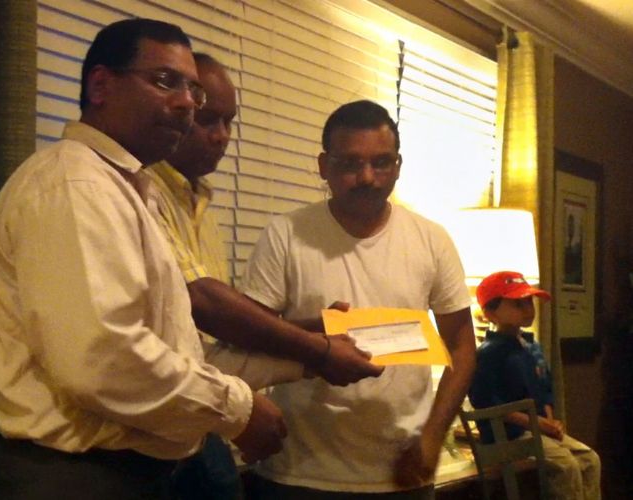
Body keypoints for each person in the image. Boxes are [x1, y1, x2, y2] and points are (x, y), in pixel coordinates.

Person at [0, 19, 288, 499]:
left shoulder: (125, 189)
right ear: (101, 85)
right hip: (75, 477)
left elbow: (169, 345)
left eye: (193, 90)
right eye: (165, 81)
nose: (186, 102)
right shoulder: (75, 184)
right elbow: (104, 360)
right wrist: (236, 410)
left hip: (118, 471)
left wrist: (305, 360)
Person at [145, 54, 383, 499]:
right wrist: (317, 350)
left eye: (229, 122)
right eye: (208, 119)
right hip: (156, 431)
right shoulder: (141, 192)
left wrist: (309, 330)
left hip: (202, 427)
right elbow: (204, 304)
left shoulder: (200, 207)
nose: (221, 136)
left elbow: (209, 338)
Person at [239, 100, 476, 498]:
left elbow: (461, 345)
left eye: (381, 163)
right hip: (298, 473)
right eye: (350, 163)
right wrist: (313, 337)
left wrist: (432, 439)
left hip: (402, 473)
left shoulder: (431, 239)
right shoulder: (285, 234)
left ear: (398, 166)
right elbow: (250, 341)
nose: (367, 177)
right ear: (323, 166)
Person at [468, 270, 601, 500]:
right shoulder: (488, 354)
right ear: (490, 313)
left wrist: (550, 421)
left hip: (537, 431)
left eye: (529, 301)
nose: (528, 309)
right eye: (517, 303)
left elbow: (544, 390)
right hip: (509, 437)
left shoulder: (531, 347)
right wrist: (539, 424)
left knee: (590, 460)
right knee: (565, 465)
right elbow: (488, 403)